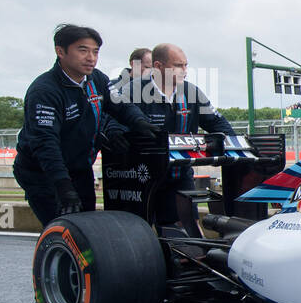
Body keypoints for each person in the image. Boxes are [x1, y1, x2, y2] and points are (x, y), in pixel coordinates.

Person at [13, 24, 160, 226]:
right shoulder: (44, 91)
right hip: (42, 173)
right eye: (83, 50)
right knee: (62, 228)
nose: (91, 57)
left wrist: (140, 123)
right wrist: (63, 186)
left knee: (87, 228)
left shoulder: (96, 79)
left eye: (95, 51)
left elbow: (121, 106)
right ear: (60, 51)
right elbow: (45, 143)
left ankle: (84, 258)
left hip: (80, 167)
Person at [119, 43, 234, 228]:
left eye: (186, 65)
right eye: (178, 65)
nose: (184, 70)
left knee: (187, 230)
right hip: (141, 178)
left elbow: (217, 122)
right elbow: (115, 125)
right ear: (158, 66)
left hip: (179, 174)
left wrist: (232, 143)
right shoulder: (132, 91)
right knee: (140, 234)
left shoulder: (192, 91)